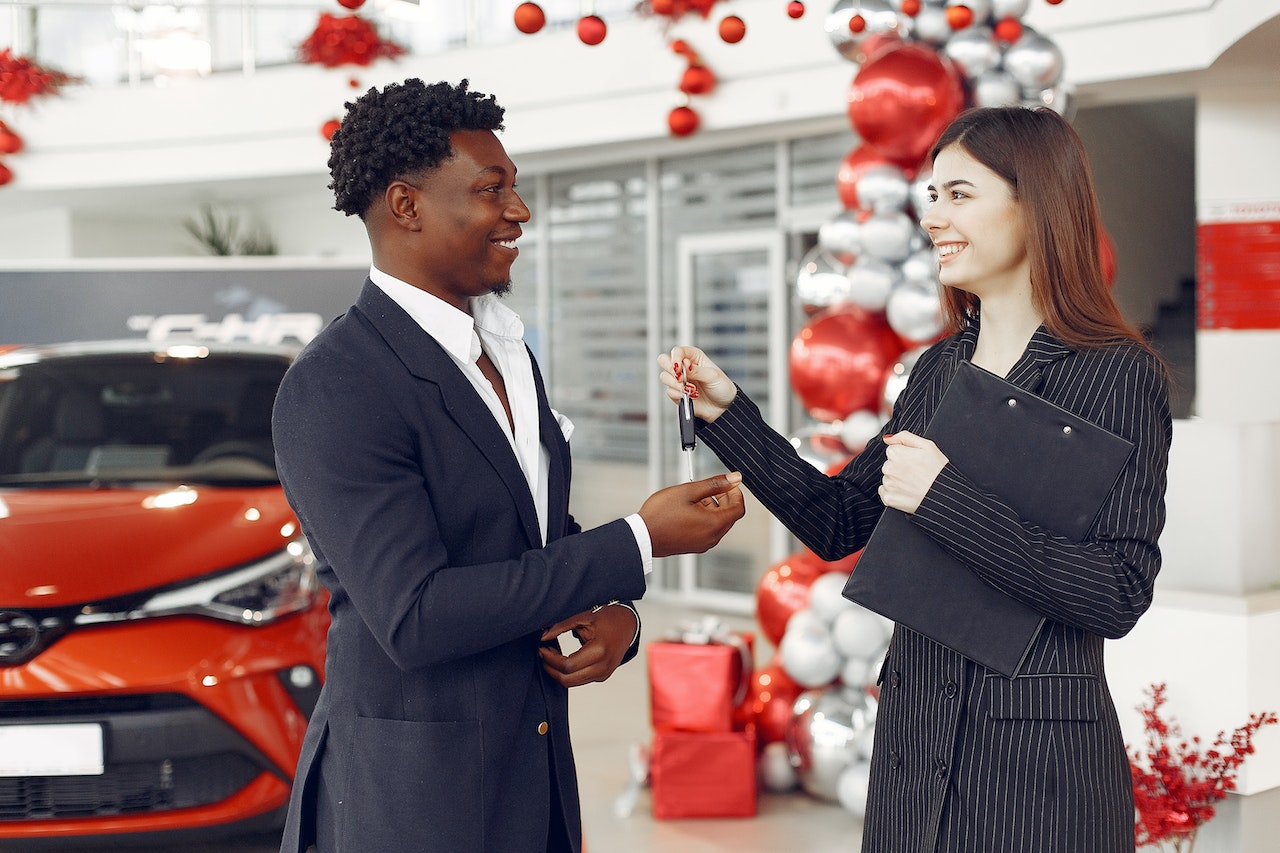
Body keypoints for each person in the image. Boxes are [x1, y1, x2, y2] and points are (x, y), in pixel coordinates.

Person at [658, 106, 1171, 852]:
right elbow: (838, 520)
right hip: (912, 745)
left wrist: (945, 499)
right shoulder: (937, 370)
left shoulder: (1118, 374)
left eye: (959, 195)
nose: (933, 217)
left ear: (1037, 203)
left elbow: (1118, 591)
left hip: (1038, 768)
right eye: (932, 196)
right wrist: (727, 412)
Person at [272, 78, 745, 853]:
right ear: (406, 205)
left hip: (534, 783)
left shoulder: (508, 352)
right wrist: (638, 542)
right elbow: (415, 615)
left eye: (515, 189)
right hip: (412, 806)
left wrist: (619, 620)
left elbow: (533, 533)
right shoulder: (336, 384)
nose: (519, 212)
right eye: (494, 191)